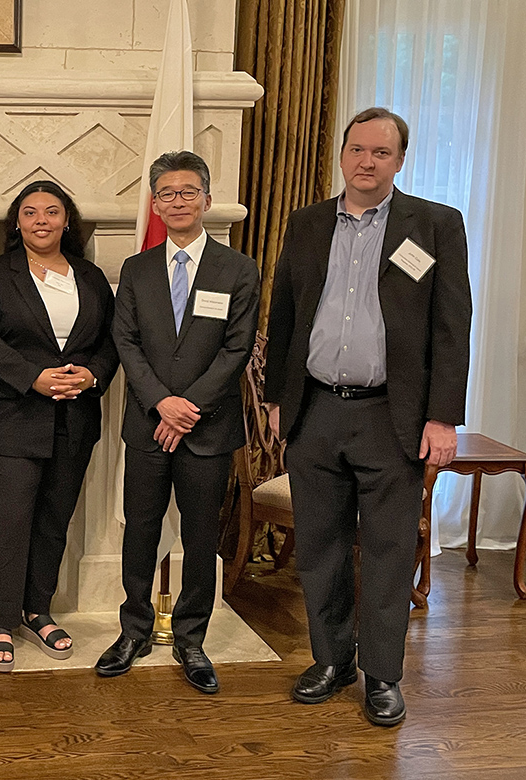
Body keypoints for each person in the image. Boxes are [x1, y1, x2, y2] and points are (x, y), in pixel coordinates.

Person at [264, 107, 471, 726]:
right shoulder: (305, 223)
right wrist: (278, 399)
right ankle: (330, 661)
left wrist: (442, 418)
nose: (366, 161)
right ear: (343, 154)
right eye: (357, 148)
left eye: (381, 152)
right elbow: (285, 315)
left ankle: (381, 675)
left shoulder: (434, 225)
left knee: (386, 551)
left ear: (399, 161)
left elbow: (451, 327)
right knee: (320, 549)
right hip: (315, 411)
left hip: (393, 417)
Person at [95, 151, 260, 693]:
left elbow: (237, 348)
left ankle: (192, 639)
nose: (178, 201)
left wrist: (188, 407)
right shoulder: (136, 269)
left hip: (207, 430)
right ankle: (134, 629)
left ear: (207, 200)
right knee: (140, 531)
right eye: (167, 193)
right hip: (148, 424)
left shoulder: (239, 269)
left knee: (199, 535)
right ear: (156, 204)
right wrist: (162, 403)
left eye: (189, 191)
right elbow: (126, 342)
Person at [0, 180, 119, 672]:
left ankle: (39, 609)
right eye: (30, 212)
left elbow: (111, 342)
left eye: (52, 212)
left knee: (54, 521)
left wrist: (92, 374)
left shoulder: (91, 276)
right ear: (16, 222)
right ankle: (2, 621)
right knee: (10, 523)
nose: (41, 221)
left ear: (66, 220)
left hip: (73, 417)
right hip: (9, 417)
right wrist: (32, 377)